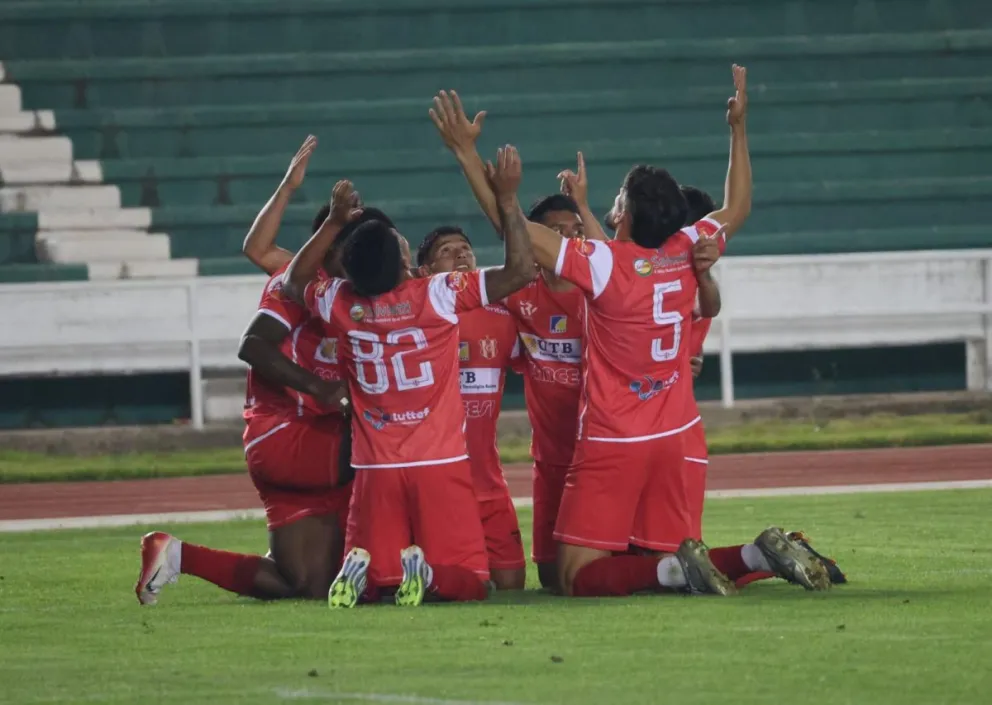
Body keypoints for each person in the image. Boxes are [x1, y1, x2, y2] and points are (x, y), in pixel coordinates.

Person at [282, 149, 536, 607]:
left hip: (375, 468)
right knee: (470, 581)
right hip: (438, 463)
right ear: (405, 265)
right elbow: (520, 269)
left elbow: (292, 282)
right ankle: (430, 577)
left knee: (380, 580)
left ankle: (368, 574)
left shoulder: (341, 303)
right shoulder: (435, 294)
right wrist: (509, 199)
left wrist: (334, 222)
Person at [134, 158, 359, 604]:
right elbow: (252, 345)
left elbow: (257, 248)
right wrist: (323, 389)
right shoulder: (296, 284)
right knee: (394, 446)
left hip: (310, 438)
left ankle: (175, 555)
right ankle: (422, 569)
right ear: (327, 247)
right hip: (292, 434)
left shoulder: (350, 287)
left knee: (306, 585)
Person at [429, 91, 606, 591]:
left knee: (589, 577)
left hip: (601, 456)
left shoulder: (602, 291)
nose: (568, 242)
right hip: (551, 462)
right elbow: (503, 222)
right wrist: (466, 154)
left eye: (575, 232)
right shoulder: (516, 296)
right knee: (550, 579)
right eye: (555, 232)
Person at [680, 185, 848, 586]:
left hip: (654, 427)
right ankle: (764, 555)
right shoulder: (680, 282)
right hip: (670, 425)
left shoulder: (673, 279)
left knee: (659, 562)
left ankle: (759, 556)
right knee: (663, 559)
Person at [415, 225, 527, 590]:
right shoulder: (416, 319)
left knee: (512, 583)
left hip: (488, 481)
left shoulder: (502, 316)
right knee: (464, 584)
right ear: (425, 273)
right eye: (447, 251)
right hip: (438, 481)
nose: (461, 254)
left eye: (465, 248)